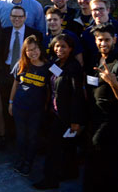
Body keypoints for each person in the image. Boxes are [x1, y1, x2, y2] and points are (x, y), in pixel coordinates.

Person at [83, 23, 118, 192]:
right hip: (93, 117)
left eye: (107, 40)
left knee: (107, 166)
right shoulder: (94, 58)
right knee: (92, 160)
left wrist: (113, 83)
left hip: (112, 122)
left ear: (115, 40)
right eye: (99, 40)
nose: (103, 43)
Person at [33, 34, 85, 190]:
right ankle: (70, 172)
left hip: (66, 115)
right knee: (67, 146)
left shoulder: (74, 67)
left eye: (63, 46)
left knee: (53, 148)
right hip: (54, 111)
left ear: (70, 49)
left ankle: (50, 180)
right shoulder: (55, 63)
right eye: (57, 46)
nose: (59, 49)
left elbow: (77, 95)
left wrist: (76, 121)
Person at [0, 6, 43, 140]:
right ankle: (6, 135)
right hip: (5, 72)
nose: (17, 19)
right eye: (14, 17)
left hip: (25, 74)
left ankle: (20, 137)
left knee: (21, 107)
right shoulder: (4, 32)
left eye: (20, 17)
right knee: (5, 106)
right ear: (10, 17)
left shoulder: (34, 34)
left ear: (25, 18)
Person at [8, 35, 50, 176]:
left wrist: (46, 106)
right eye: (29, 50)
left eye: (35, 49)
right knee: (21, 137)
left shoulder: (48, 67)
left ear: (40, 48)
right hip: (19, 107)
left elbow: (50, 90)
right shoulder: (21, 64)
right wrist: (10, 102)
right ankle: (19, 160)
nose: (33, 52)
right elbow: (15, 84)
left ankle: (28, 163)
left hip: (36, 110)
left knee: (32, 138)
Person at [81, 0, 118, 74]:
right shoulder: (87, 34)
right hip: (95, 73)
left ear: (108, 10)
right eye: (95, 10)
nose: (98, 12)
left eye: (101, 9)